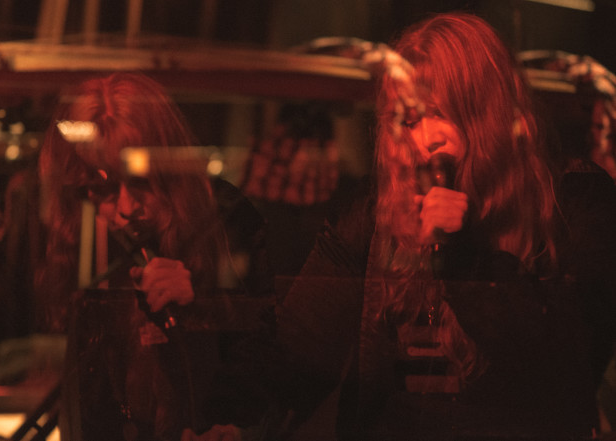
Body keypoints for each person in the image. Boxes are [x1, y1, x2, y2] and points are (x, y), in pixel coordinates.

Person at [186, 12, 616, 441]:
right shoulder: (378, 210)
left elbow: (567, 365)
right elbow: (300, 342)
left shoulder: (574, 200)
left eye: (442, 113)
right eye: (409, 121)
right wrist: (230, 419)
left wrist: (462, 254)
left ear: (487, 112)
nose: (426, 138)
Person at [36, 72, 272, 440]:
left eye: (141, 181)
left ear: (169, 168)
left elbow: (267, 363)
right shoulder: (86, 237)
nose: (127, 207)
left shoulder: (223, 222)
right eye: (103, 188)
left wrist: (198, 312)